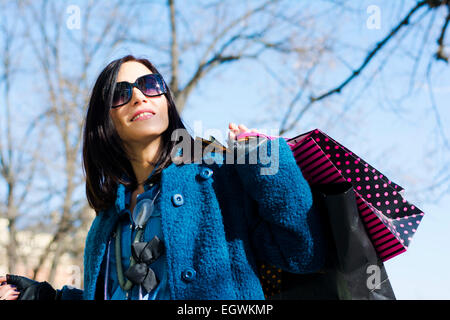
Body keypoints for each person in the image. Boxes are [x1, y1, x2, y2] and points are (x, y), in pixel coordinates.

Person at [1, 54, 325, 300]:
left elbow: (304, 253)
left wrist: (265, 160)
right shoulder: (105, 221)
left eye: (150, 85)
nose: (139, 97)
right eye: (120, 93)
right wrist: (38, 296)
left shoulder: (216, 177)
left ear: (165, 100)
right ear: (105, 121)